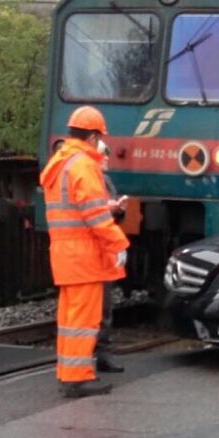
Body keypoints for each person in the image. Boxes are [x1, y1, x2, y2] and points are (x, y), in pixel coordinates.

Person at [39, 106, 129, 397]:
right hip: (85, 257)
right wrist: (119, 243)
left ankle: (68, 373)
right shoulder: (84, 165)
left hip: (67, 255)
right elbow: (94, 217)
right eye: (100, 136)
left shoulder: (61, 162)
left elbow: (77, 209)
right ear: (92, 136)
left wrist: (108, 206)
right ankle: (78, 377)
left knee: (69, 320)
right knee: (84, 321)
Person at [96, 140, 128, 374]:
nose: (107, 158)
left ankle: (102, 353)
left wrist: (118, 211)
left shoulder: (105, 181)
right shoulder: (88, 180)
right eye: (103, 155)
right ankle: (94, 355)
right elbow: (92, 215)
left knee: (104, 308)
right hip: (92, 254)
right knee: (95, 309)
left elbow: (107, 218)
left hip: (103, 253)